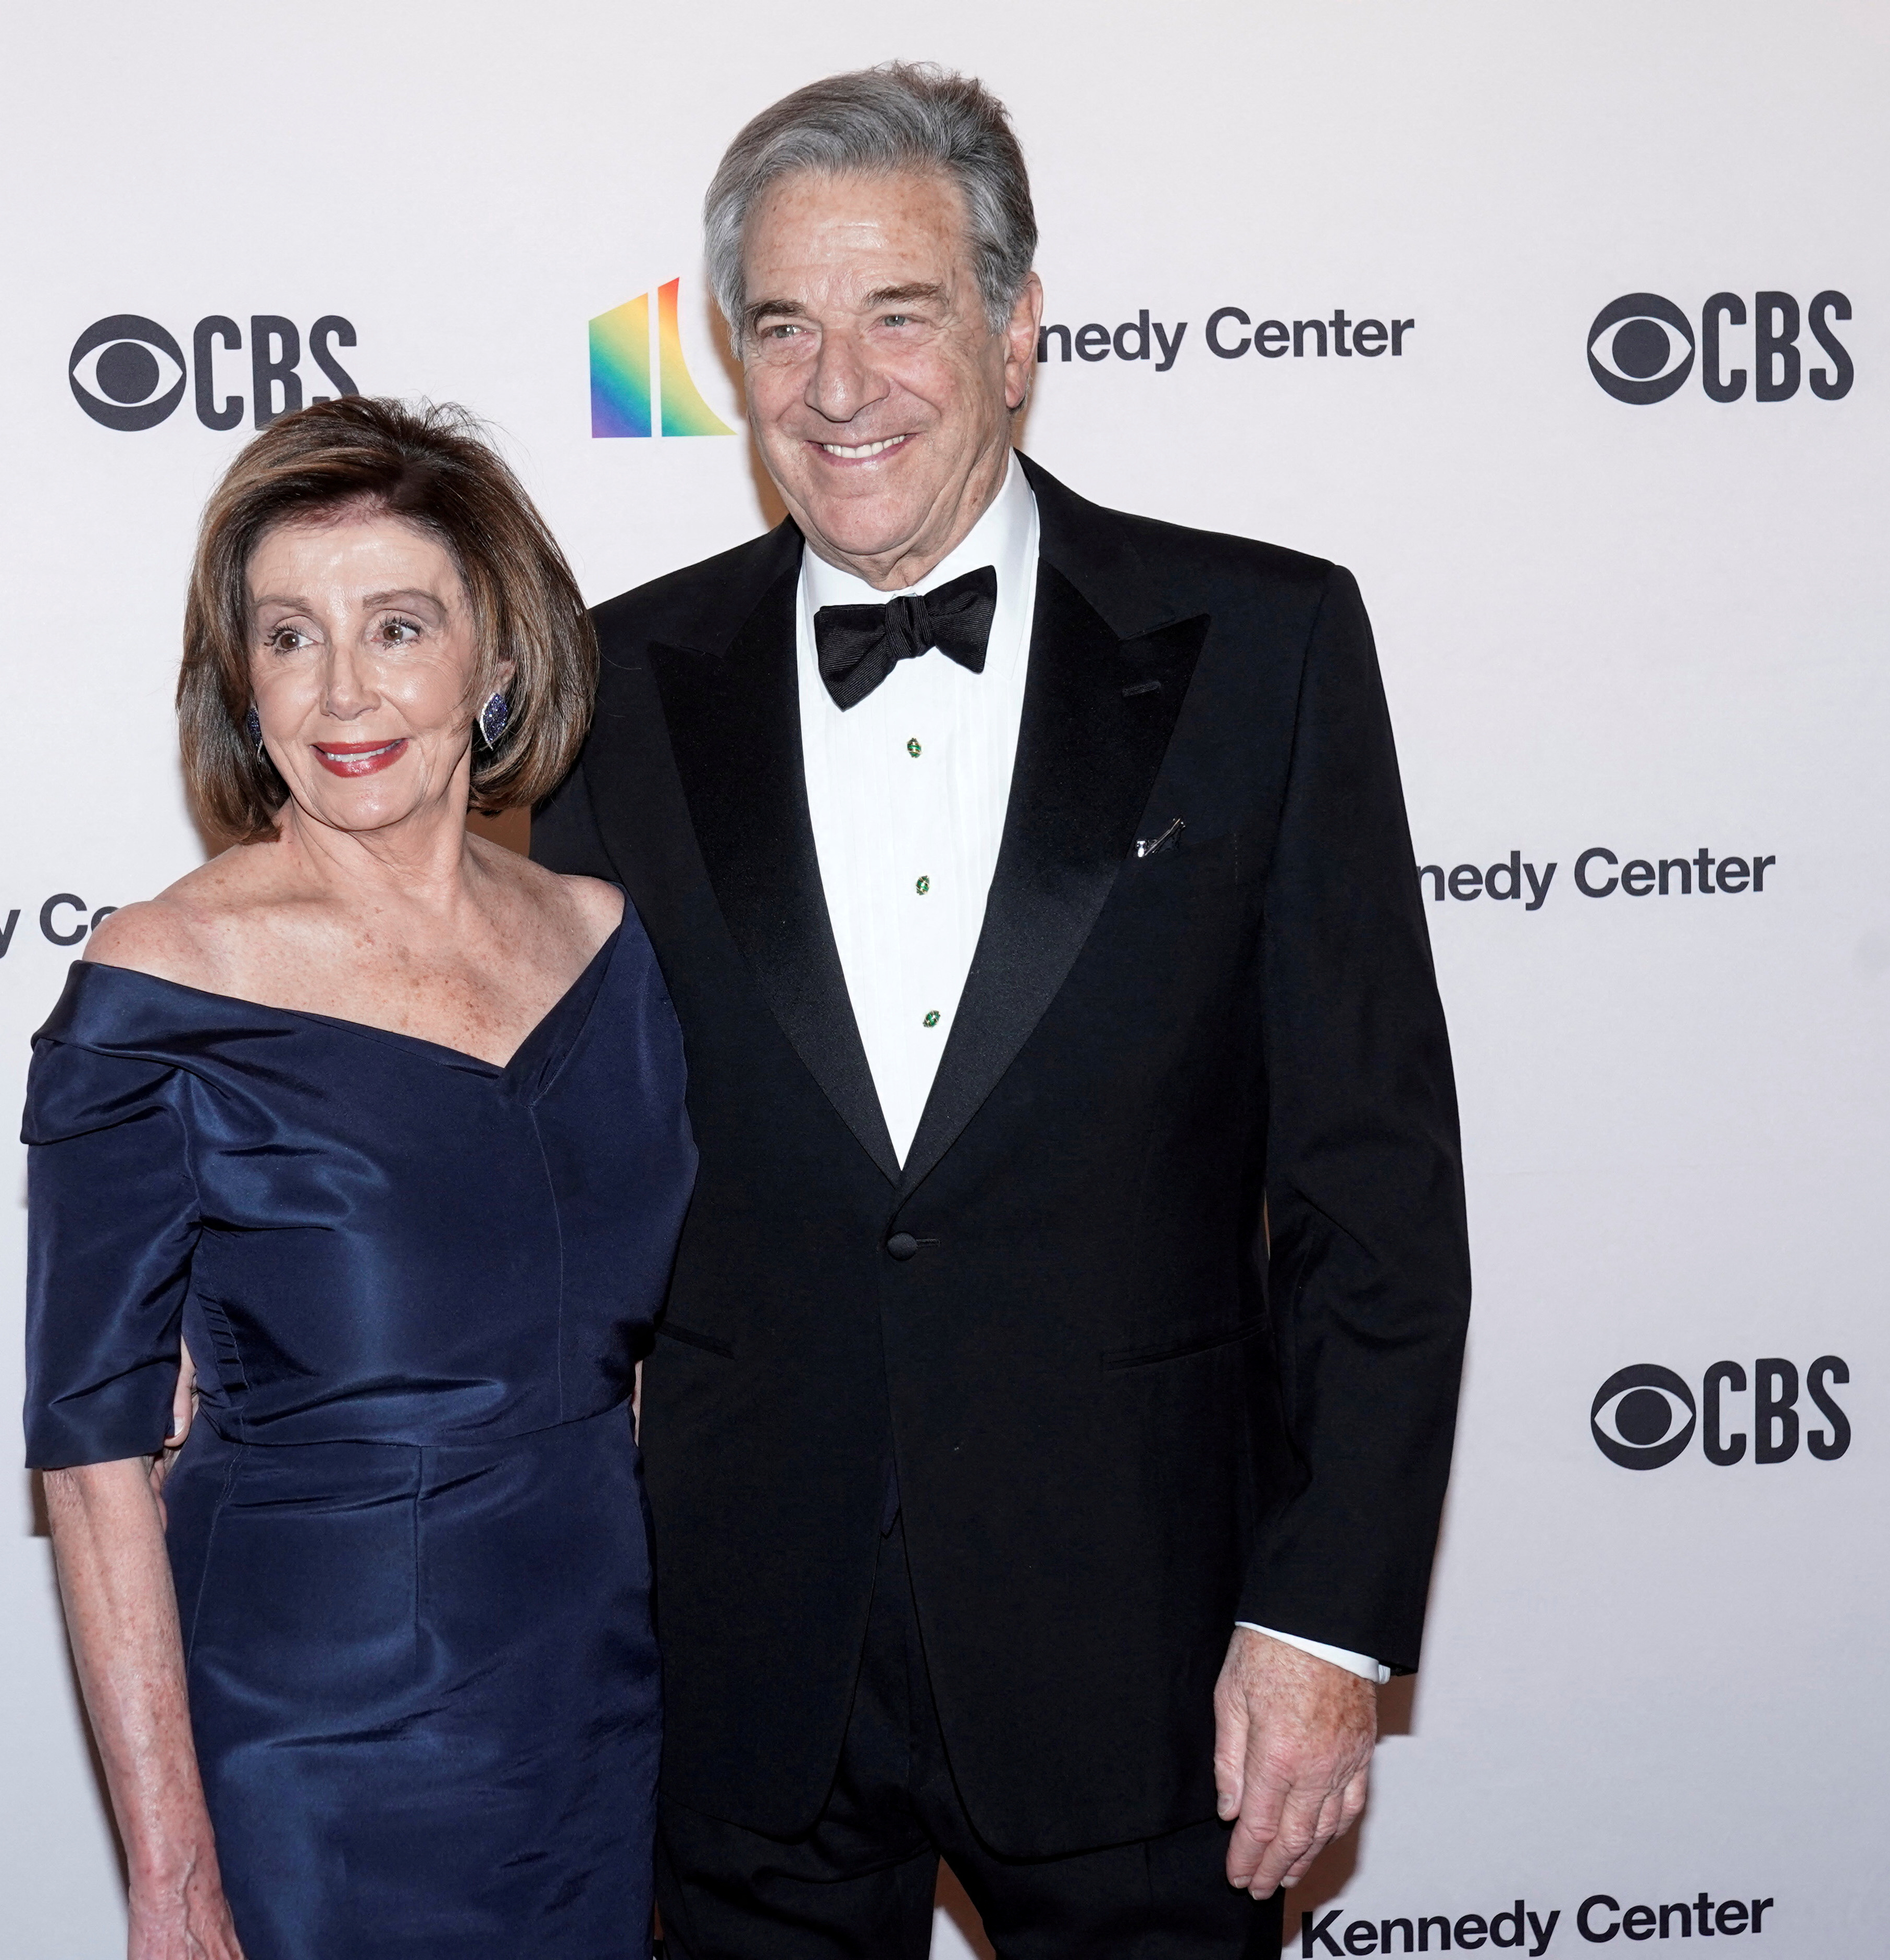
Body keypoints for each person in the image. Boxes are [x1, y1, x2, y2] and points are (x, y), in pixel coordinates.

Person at [532, 64, 1470, 1959]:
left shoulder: (1264, 648)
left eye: (900, 312)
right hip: (740, 1661)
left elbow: (1373, 1187)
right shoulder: (613, 682)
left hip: (1146, 1658)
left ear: (1018, 327)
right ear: (728, 358)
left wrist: (1323, 1627)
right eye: (781, 326)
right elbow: (548, 1155)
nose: (836, 383)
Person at [22, 395, 690, 1960]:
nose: (344, 691)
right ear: (239, 683)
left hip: (603, 1704)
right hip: (314, 1745)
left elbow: (649, 1356)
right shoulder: (163, 982)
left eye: (398, 625)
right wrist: (173, 1868)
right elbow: (94, 1453)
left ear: (497, 654)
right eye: (288, 636)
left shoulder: (606, 944)